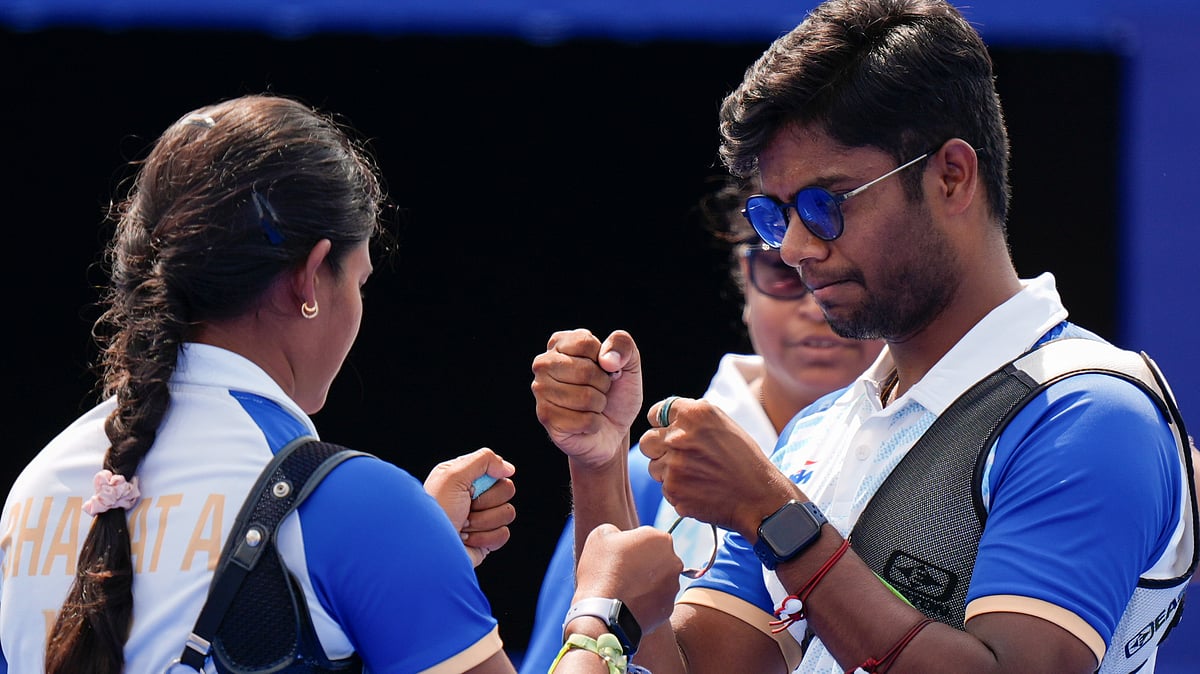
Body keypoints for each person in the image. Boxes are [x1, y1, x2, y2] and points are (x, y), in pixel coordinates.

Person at [530, 1, 1196, 673]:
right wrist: (599, 464)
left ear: (951, 177)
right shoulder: (820, 430)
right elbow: (689, 668)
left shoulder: (1089, 412)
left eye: (826, 204)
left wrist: (775, 516)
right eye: (774, 213)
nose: (793, 247)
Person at [0, 94, 682, 674]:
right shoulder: (357, 506)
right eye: (359, 280)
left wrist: (402, 562)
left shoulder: (31, 492)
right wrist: (606, 616)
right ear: (310, 278)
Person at [519, 177, 884, 674]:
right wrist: (596, 468)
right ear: (744, 274)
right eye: (780, 271)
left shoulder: (941, 442)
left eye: (840, 270)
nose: (811, 300)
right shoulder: (650, 470)